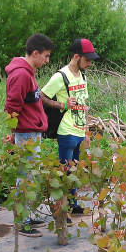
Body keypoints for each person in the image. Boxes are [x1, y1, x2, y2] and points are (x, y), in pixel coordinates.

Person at [40, 38, 100, 220]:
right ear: (76, 56)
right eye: (87, 60)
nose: (90, 63)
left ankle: (73, 205)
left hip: (80, 131)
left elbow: (84, 104)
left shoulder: (82, 76)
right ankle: (62, 208)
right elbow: (41, 96)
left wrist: (87, 131)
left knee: (75, 171)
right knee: (65, 171)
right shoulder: (60, 76)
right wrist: (62, 105)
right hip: (66, 131)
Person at [4, 33, 55, 237]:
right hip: (25, 134)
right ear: (35, 53)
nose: (47, 60)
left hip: (32, 132)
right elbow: (11, 106)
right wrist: (14, 132)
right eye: (46, 56)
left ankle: (27, 214)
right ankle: (21, 222)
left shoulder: (29, 72)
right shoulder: (21, 74)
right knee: (24, 178)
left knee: (30, 177)